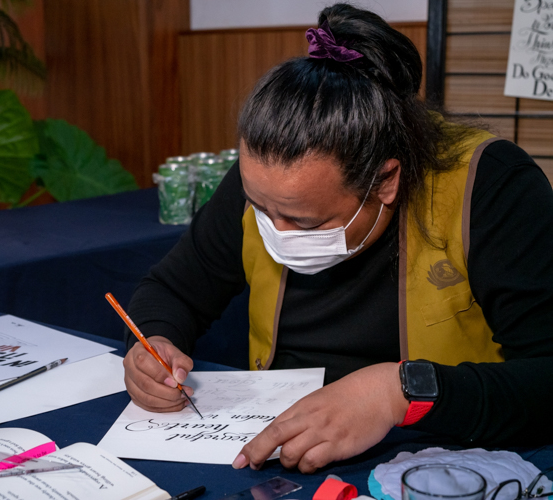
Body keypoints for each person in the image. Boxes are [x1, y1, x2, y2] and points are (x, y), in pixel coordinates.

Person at [123, 3, 553, 473]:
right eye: (262, 210)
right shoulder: (269, 183)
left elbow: (546, 375)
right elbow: (173, 289)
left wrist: (400, 391)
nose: (275, 232)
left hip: (440, 459)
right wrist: (154, 346)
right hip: (277, 451)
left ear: (386, 181)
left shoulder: (490, 186)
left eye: (305, 222)